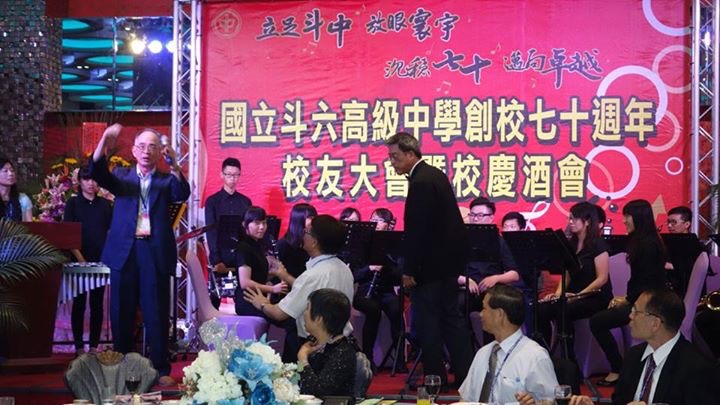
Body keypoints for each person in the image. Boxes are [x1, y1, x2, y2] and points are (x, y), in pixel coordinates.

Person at [89, 124, 190, 386]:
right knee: (121, 312)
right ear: (134, 151)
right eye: (142, 147)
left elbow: (183, 193)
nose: (146, 151)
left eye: (152, 147)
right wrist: (104, 139)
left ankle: (160, 368)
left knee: (156, 311)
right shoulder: (122, 176)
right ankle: (121, 368)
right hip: (125, 250)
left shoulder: (166, 181)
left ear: (159, 152)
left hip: (153, 251)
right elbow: (96, 171)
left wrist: (175, 165)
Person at [386, 131, 472, 387]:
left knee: (428, 325)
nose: (392, 162)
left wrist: (409, 269)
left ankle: (435, 379)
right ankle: (466, 377)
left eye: (395, 156)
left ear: (410, 154)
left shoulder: (421, 181)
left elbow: (418, 231)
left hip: (429, 269)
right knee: (452, 321)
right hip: (446, 266)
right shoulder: (434, 174)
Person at [569, 289, 718, 405]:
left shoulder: (697, 368)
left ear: (655, 323)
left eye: (636, 312)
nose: (630, 316)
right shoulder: (634, 356)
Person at [244, 215, 354, 361]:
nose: (302, 235)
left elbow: (279, 314)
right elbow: (310, 288)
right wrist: (284, 275)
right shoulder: (343, 268)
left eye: (306, 232)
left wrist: (262, 303)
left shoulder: (313, 275)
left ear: (314, 242)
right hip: (341, 342)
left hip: (315, 348)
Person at [590, 199, 668, 387]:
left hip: (649, 304)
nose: (624, 220)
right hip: (640, 299)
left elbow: (647, 283)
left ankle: (617, 369)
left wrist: (627, 301)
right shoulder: (644, 241)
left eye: (627, 216)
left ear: (638, 217)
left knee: (597, 321)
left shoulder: (648, 245)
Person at [536, 202, 612, 358]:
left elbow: (602, 278)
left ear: (587, 221)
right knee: (541, 309)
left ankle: (568, 358)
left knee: (563, 311)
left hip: (595, 296)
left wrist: (577, 296)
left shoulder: (598, 244)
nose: (570, 222)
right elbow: (567, 273)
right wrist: (558, 294)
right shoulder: (571, 244)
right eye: (569, 218)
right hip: (572, 296)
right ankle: (544, 354)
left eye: (574, 219)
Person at [459, 284, 558, 405]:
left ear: (499, 314)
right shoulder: (482, 353)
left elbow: (552, 401)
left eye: (484, 309)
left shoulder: (535, 356)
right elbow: (465, 400)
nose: (480, 314)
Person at [63, 166, 113, 356]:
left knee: (97, 305)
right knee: (79, 304)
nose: (91, 183)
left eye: (94, 179)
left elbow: (111, 232)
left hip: (100, 262)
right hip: (79, 261)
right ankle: (78, 347)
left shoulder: (105, 204)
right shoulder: (73, 203)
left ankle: (93, 346)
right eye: (87, 179)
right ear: (80, 182)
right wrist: (81, 259)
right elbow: (68, 234)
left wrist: (106, 258)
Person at [461, 197, 521, 344]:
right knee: (454, 304)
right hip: (466, 288)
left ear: (491, 218)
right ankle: (464, 350)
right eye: (473, 215)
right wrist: (463, 279)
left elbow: (514, 274)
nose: (475, 219)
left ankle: (491, 348)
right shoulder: (460, 240)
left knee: (494, 305)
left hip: (492, 289)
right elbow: (448, 269)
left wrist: (495, 278)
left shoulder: (500, 241)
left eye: (480, 215)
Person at [352, 208, 405, 371]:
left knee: (396, 308)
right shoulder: (362, 243)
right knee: (373, 310)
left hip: (386, 292)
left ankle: (399, 360)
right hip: (364, 292)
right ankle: (368, 359)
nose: (375, 222)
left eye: (380, 220)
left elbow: (400, 276)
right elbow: (354, 275)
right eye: (373, 219)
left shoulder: (394, 245)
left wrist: (386, 267)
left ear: (388, 225)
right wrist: (370, 268)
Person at [204, 157, 252, 306]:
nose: (232, 178)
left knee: (243, 298)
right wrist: (216, 259)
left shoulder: (245, 202)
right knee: (214, 297)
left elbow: (248, 232)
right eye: (229, 174)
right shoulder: (212, 201)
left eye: (236, 175)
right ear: (222, 175)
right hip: (220, 254)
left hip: (240, 255)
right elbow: (211, 232)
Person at [298, 288, 357, 403]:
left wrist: (303, 360)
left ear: (319, 319)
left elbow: (320, 393)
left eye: (307, 309)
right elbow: (300, 383)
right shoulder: (312, 344)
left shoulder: (343, 351)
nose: (304, 314)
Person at [232, 206, 288, 316]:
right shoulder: (244, 247)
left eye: (264, 223)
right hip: (248, 301)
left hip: (259, 299)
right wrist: (272, 289)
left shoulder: (258, 245)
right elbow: (245, 283)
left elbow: (258, 276)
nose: (262, 227)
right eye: (257, 223)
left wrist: (276, 273)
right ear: (245, 224)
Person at [276, 203, 317, 279]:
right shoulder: (284, 245)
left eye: (315, 217)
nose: (314, 221)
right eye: (310, 218)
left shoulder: (313, 242)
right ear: (299, 219)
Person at [0, 157, 32, 221]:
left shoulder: (23, 199)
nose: (10, 174)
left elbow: (29, 225)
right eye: (5, 171)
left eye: (12, 170)